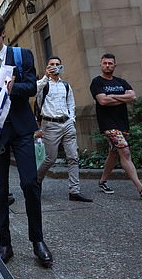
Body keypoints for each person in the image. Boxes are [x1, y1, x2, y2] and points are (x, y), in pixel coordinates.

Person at [0, 14, 53, 267]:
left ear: (2, 34)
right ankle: (5, 243)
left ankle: (38, 241)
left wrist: (10, 87)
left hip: (22, 128)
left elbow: (32, 88)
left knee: (29, 184)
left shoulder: (21, 55)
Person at [90, 53, 142, 200]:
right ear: (101, 65)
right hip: (108, 124)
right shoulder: (97, 82)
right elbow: (102, 101)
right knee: (125, 152)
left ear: (115, 65)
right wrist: (122, 98)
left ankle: (102, 182)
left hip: (122, 123)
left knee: (115, 152)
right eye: (105, 63)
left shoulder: (121, 81)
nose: (107, 65)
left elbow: (133, 97)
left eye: (110, 63)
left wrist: (112, 97)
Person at [36, 56, 92, 202]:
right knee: (51, 158)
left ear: (61, 67)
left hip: (67, 124)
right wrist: (45, 76)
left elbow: (71, 104)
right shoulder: (43, 85)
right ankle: (37, 180)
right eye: (52, 64)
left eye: (57, 64)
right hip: (50, 125)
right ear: (48, 67)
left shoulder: (66, 85)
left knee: (73, 157)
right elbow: (33, 92)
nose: (55, 66)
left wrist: (71, 119)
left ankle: (74, 190)